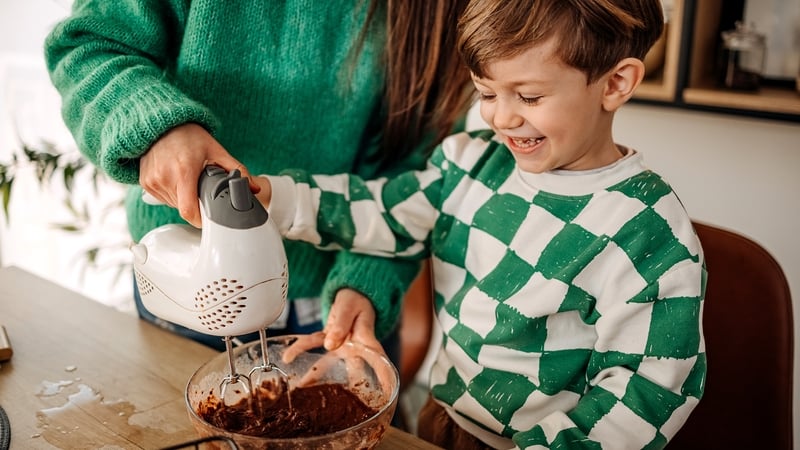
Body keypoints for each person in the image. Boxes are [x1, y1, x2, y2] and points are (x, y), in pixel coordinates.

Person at [254, 0, 707, 448]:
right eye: (487, 93)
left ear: (615, 83)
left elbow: (647, 387)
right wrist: (276, 197)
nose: (502, 118)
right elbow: (380, 210)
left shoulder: (646, 230)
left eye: (529, 96)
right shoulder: (467, 164)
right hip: (443, 419)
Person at [43, 1, 474, 359]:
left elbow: (419, 172)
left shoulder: (436, 14)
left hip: (337, 306)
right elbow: (88, 44)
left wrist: (367, 279)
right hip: (190, 287)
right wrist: (156, 127)